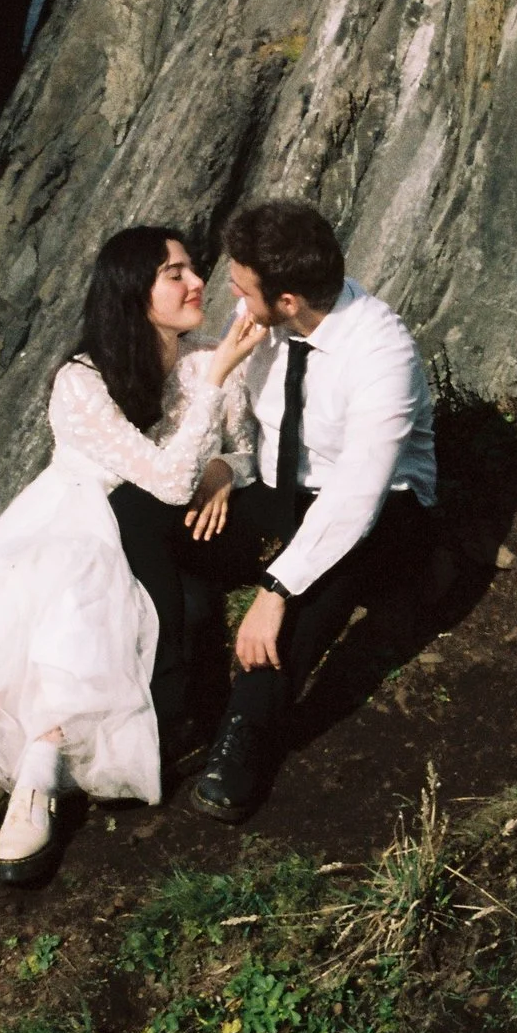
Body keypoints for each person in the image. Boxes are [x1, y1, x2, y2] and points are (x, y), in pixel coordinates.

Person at [0, 227, 264, 882]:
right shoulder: (81, 381)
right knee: (28, 628)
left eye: (193, 268)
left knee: (82, 624)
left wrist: (222, 466)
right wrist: (215, 388)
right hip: (68, 514)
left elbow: (240, 452)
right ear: (134, 294)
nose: (197, 284)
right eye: (175, 273)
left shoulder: (205, 364)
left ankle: (39, 775)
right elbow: (162, 478)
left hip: (139, 529)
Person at [165, 199, 438, 823]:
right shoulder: (265, 317)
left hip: (384, 506)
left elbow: (356, 494)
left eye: (241, 284)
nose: (226, 292)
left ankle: (245, 733)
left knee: (321, 579)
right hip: (283, 487)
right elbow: (250, 425)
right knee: (165, 529)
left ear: (288, 299)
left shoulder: (381, 353)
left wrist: (278, 586)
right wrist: (226, 471)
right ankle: (186, 691)